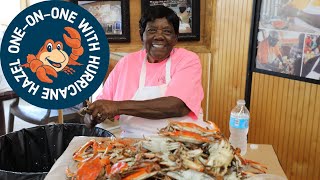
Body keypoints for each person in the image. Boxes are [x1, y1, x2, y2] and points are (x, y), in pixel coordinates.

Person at [84, 5, 208, 138]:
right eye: (152, 30)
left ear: (175, 38)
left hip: (181, 143)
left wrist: (117, 107)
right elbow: (101, 106)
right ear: (141, 35)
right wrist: (92, 117)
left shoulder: (187, 59)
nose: (159, 36)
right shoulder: (126, 64)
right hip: (133, 145)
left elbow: (177, 106)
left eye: (167, 31)